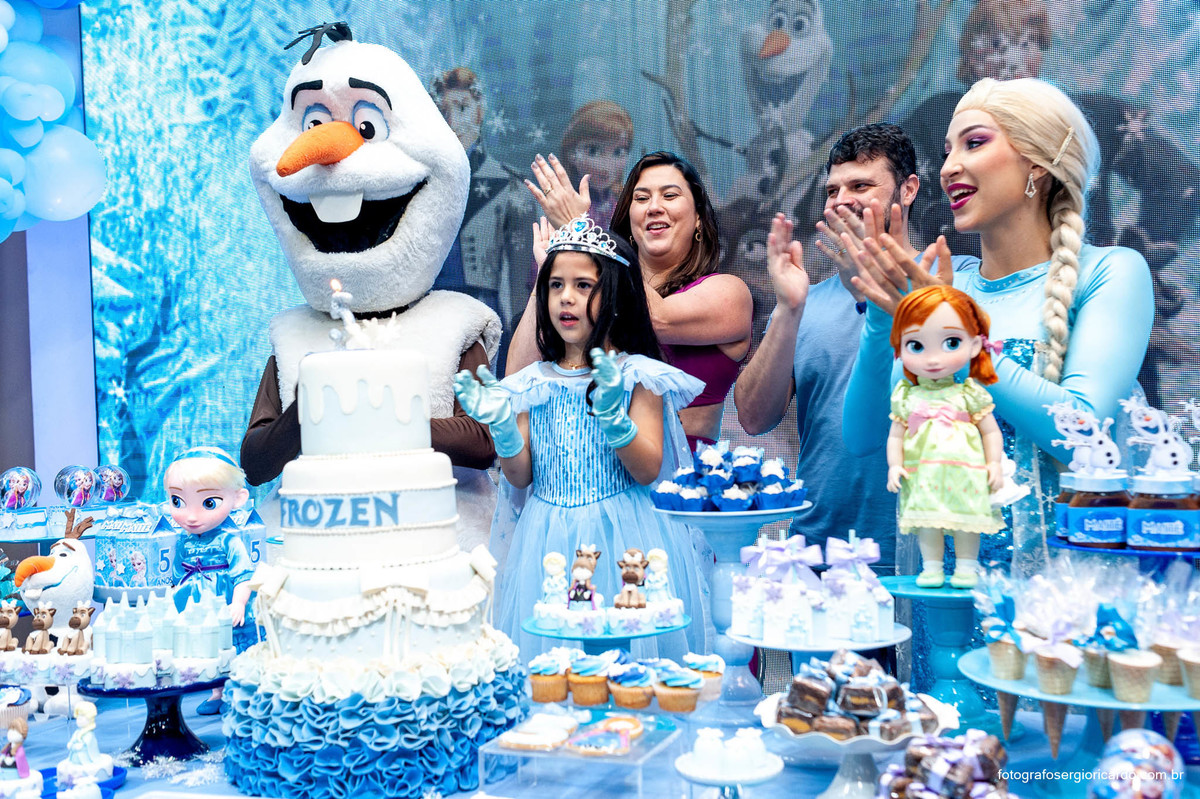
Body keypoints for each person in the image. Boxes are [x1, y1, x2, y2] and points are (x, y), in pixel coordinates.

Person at [844, 77, 1154, 578]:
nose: (948, 167)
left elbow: (1082, 433)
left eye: (974, 143)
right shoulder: (952, 282)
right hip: (941, 583)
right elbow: (861, 439)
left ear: (1038, 164)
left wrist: (955, 333)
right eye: (946, 151)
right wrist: (883, 320)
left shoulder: (1111, 272)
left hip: (1059, 593)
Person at [900, 0, 1199, 406]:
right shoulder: (933, 119)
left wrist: (1143, 249)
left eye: (1029, 42)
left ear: (1040, 162)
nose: (1012, 56)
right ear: (969, 54)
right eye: (995, 42)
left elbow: (1181, 184)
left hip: (1081, 314)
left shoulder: (1093, 117)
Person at [455, 214, 709, 659]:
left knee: (624, 663)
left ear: (615, 294)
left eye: (583, 285)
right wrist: (502, 428)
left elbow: (649, 469)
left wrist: (614, 418)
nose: (566, 297)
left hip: (624, 537)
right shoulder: (532, 382)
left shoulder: (637, 376)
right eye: (555, 285)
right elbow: (519, 477)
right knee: (557, 666)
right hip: (547, 540)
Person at [734, 124, 919, 569]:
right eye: (832, 190)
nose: (841, 201)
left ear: (908, 190)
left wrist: (885, 294)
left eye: (861, 186)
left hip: (924, 556)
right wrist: (788, 309)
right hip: (818, 555)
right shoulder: (806, 302)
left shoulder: (952, 284)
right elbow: (753, 418)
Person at [514, 151, 753, 450]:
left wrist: (579, 227)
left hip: (683, 474)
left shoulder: (728, 292)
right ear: (629, 221)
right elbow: (519, 380)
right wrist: (546, 276)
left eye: (670, 195)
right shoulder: (595, 295)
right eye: (641, 198)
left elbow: (656, 319)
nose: (654, 207)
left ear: (698, 219)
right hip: (589, 466)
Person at [887, 285, 1004, 588]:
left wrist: (994, 463)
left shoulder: (968, 393)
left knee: (968, 523)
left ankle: (966, 568)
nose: (933, 359)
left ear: (975, 345)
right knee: (928, 523)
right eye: (916, 345)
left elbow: (990, 430)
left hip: (966, 473)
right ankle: (932, 568)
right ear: (899, 348)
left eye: (951, 343)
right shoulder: (907, 396)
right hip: (924, 474)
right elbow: (896, 436)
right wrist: (894, 465)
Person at [429, 67, 535, 368]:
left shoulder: (512, 188)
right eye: (442, 111)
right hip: (428, 316)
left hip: (483, 314)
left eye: (462, 108)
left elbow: (520, 282)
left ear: (480, 112)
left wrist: (522, 339)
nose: (453, 122)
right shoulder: (416, 186)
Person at [165, 446, 256, 714]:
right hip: (193, 603)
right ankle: (216, 692)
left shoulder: (230, 540)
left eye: (208, 503)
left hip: (222, 599)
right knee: (207, 649)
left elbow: (244, 575)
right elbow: (178, 575)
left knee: (231, 645)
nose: (191, 516)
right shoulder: (184, 541)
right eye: (178, 501)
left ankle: (237, 693)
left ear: (238, 498)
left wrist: (239, 603)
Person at [525, 101, 633, 229]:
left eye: (618, 152)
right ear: (571, 153)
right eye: (593, 151)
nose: (606, 165)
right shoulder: (560, 205)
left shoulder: (626, 202)